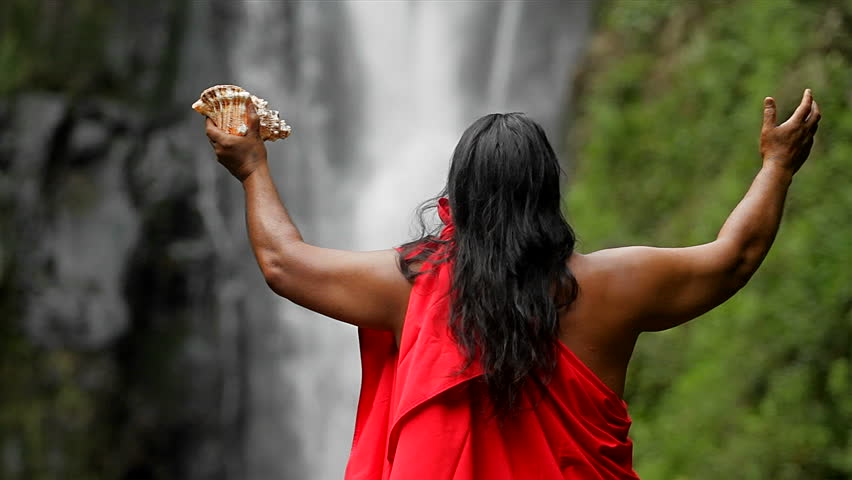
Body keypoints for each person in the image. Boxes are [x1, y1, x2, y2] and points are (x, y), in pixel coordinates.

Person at [204, 89, 820, 479]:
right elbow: (734, 258)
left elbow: (284, 263)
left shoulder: (409, 285)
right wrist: (777, 166)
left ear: (458, 194)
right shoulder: (614, 286)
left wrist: (253, 167)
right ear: (549, 192)